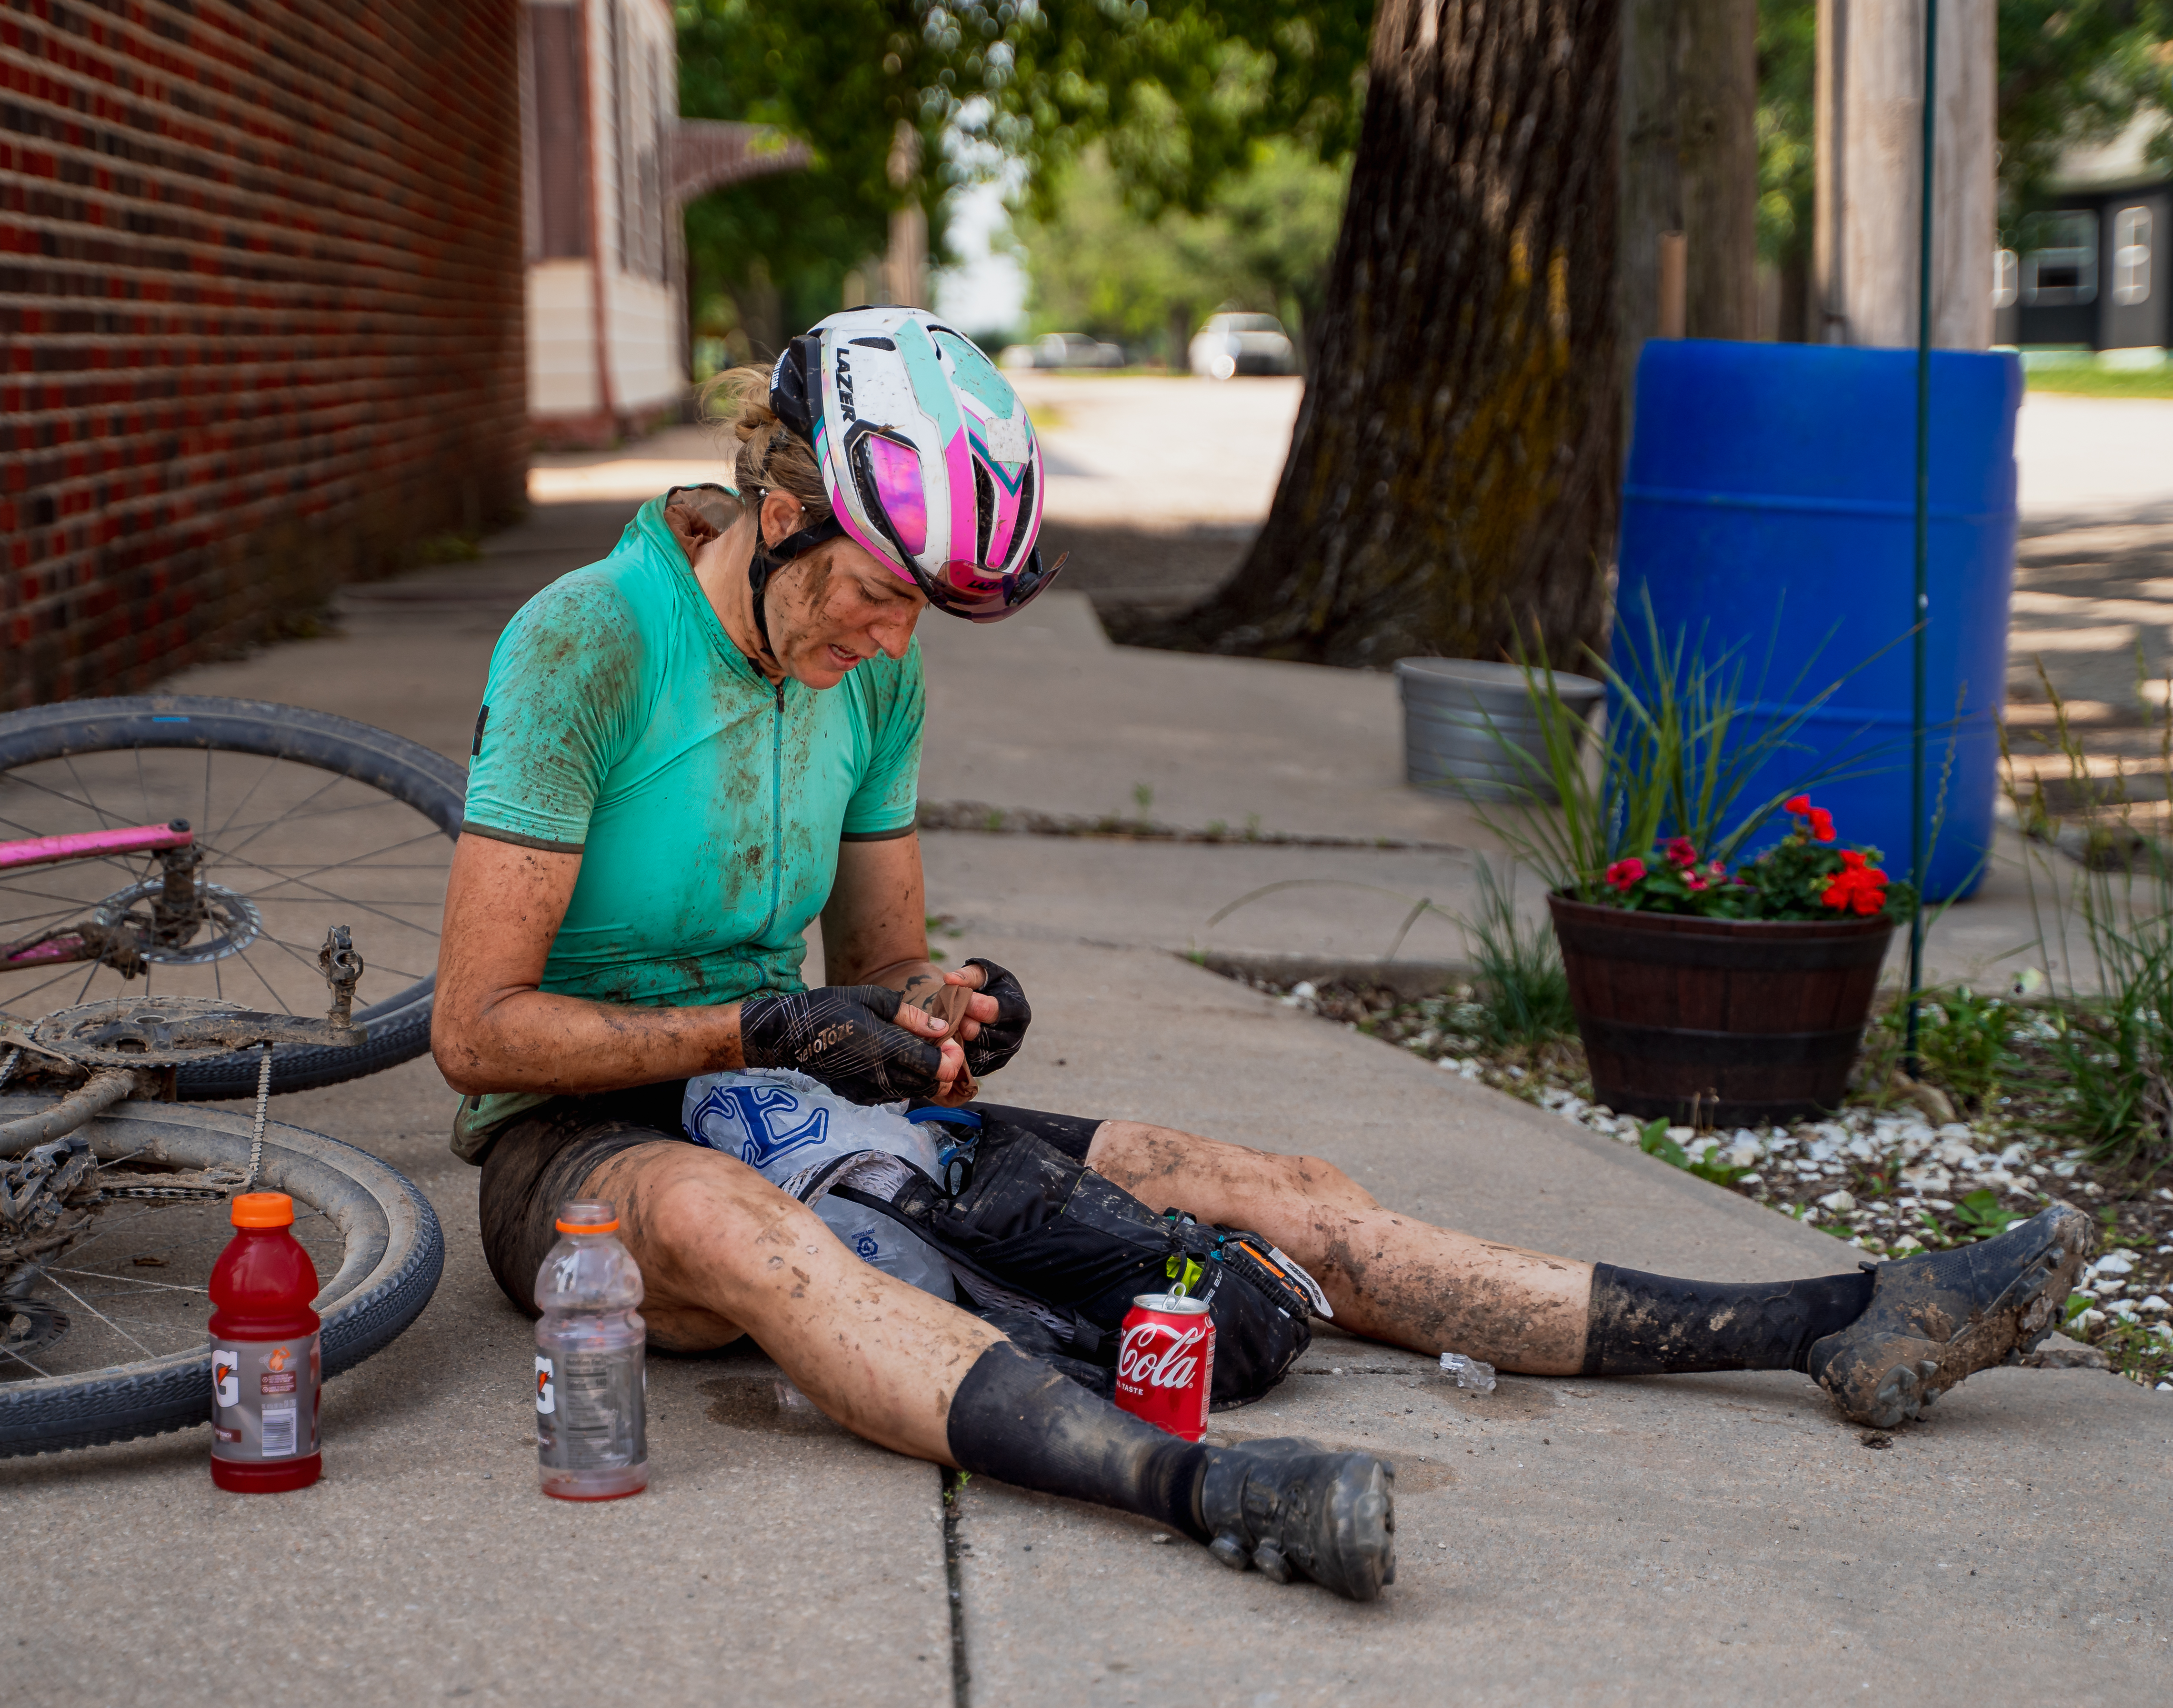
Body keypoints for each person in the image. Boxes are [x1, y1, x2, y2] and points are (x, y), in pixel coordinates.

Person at [433, 309, 2092, 1604]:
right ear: (780, 513)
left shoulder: (869, 665)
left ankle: (1826, 1316)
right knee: (738, 1232)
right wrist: (763, 1025)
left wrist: (943, 1005)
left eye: (925, 611)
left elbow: (886, 966)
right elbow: (476, 1034)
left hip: (801, 1101)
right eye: (877, 593)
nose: (892, 640)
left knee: (1269, 1181)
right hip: (584, 1145)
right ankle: (1208, 1492)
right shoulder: (591, 640)